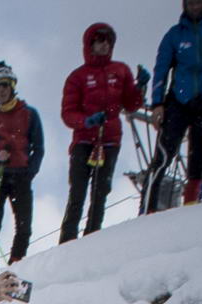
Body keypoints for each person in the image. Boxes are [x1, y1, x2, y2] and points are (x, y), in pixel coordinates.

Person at [60, 21, 143, 241]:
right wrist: (87, 121)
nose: (104, 45)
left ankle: (92, 238)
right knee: (77, 192)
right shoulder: (77, 76)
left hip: (110, 141)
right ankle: (67, 240)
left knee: (100, 193)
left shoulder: (121, 70)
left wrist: (139, 88)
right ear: (90, 44)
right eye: (99, 41)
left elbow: (131, 104)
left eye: (108, 41)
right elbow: (68, 114)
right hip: (84, 141)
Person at [147, 0, 202, 209]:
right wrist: (157, 103)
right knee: (165, 154)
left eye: (198, 2)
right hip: (179, 101)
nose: (194, 6)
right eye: (191, 2)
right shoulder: (175, 34)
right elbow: (161, 68)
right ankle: (147, 204)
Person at [0, 62, 46, 269]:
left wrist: (30, 170)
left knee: (24, 224)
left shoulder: (29, 114)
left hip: (21, 174)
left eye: (4, 86)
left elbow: (39, 147)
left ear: (12, 86)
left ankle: (17, 262)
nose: (1, 91)